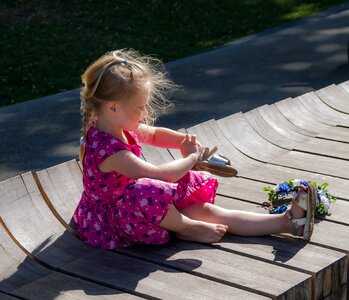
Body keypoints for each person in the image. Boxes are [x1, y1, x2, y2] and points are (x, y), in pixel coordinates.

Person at [73, 49, 316, 250]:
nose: (144, 113)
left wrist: (181, 141)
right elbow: (161, 176)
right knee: (148, 190)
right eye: (140, 107)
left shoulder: (111, 122)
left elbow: (153, 134)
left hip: (142, 206)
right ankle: (187, 228)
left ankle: (288, 223)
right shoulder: (111, 152)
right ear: (113, 108)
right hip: (114, 222)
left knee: (209, 211)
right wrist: (191, 158)